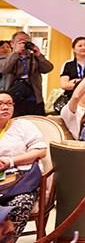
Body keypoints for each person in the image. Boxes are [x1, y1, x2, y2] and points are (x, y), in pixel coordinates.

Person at [0, 90, 48, 239]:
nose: (5, 107)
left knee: (19, 205)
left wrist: (11, 161)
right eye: (0, 104)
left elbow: (41, 151)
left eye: (9, 103)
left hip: (20, 182)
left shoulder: (23, 126)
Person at [0, 31, 54, 116]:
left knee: (36, 122)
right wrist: (16, 53)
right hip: (13, 97)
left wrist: (39, 55)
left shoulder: (34, 57)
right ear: (12, 44)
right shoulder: (5, 58)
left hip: (34, 98)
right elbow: (4, 69)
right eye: (20, 41)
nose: (23, 43)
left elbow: (48, 68)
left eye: (26, 41)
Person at [59, 36, 85, 103]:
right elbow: (64, 85)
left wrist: (75, 82)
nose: (83, 47)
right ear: (74, 49)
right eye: (80, 46)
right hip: (70, 98)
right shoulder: (68, 64)